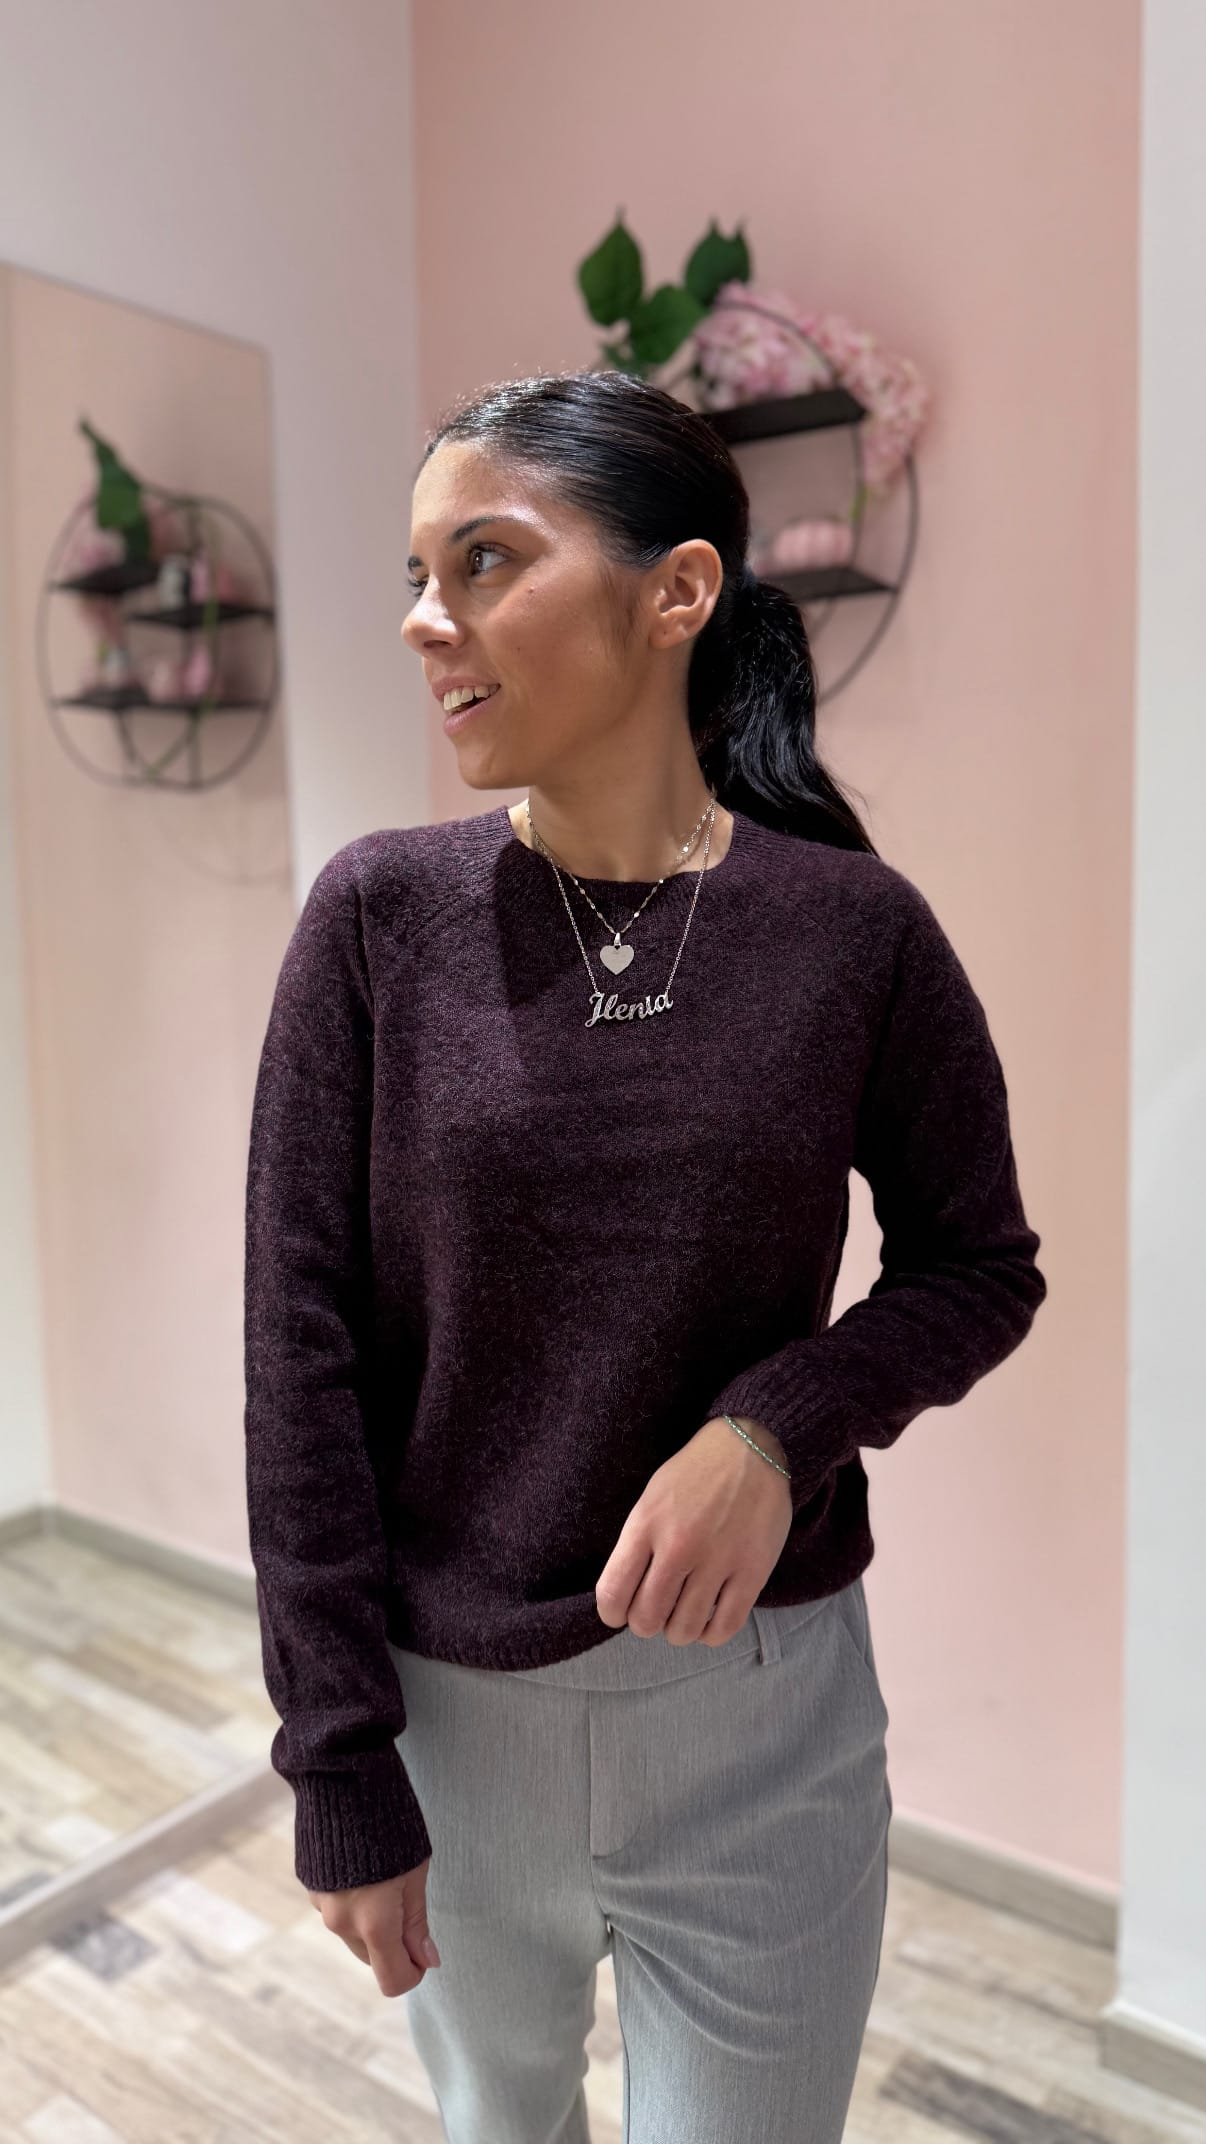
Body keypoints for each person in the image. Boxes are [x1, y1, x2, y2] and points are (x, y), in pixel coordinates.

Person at [243, 367, 1047, 2142]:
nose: (423, 618)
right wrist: (337, 1760)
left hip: (760, 1723)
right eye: (416, 573)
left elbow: (977, 1264)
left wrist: (773, 1428)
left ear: (675, 591)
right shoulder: (376, 917)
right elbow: (299, 1357)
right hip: (453, 1726)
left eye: (482, 561)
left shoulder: (853, 934)